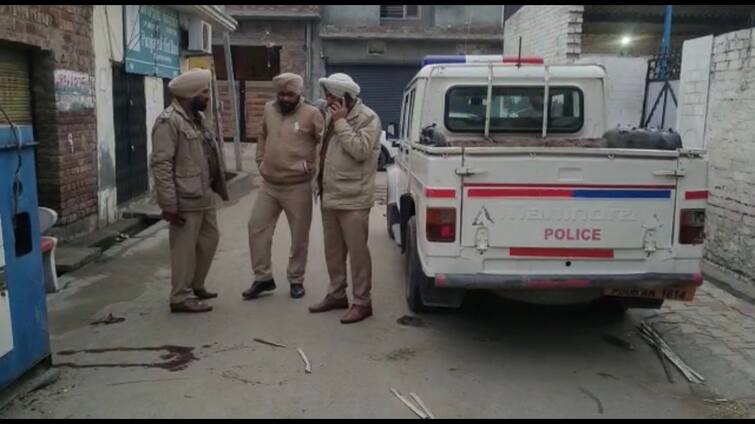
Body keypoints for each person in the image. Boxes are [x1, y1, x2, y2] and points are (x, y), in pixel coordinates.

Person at [150, 68, 229, 313]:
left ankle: (196, 284)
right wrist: (169, 204)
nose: (208, 97)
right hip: (185, 196)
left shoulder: (197, 118)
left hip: (203, 193)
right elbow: (161, 164)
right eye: (204, 92)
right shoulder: (168, 121)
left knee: (209, 240)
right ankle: (180, 297)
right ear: (190, 94)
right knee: (184, 249)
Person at [243, 73, 324, 300]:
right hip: (269, 185)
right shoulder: (269, 109)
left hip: (298, 187)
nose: (285, 98)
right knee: (256, 227)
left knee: (299, 237)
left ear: (299, 94)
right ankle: (263, 278)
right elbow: (262, 134)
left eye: (290, 94)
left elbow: (324, 141)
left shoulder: (312, 114)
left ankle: (296, 280)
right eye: (281, 94)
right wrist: (260, 159)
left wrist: (313, 166)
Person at [308, 73, 381, 324]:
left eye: (332, 97)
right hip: (330, 195)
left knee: (358, 254)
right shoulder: (331, 115)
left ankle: (362, 302)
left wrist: (340, 122)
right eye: (327, 96)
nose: (327, 101)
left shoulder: (368, 118)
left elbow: (360, 151)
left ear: (346, 98)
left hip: (354, 198)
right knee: (333, 252)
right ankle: (337, 294)